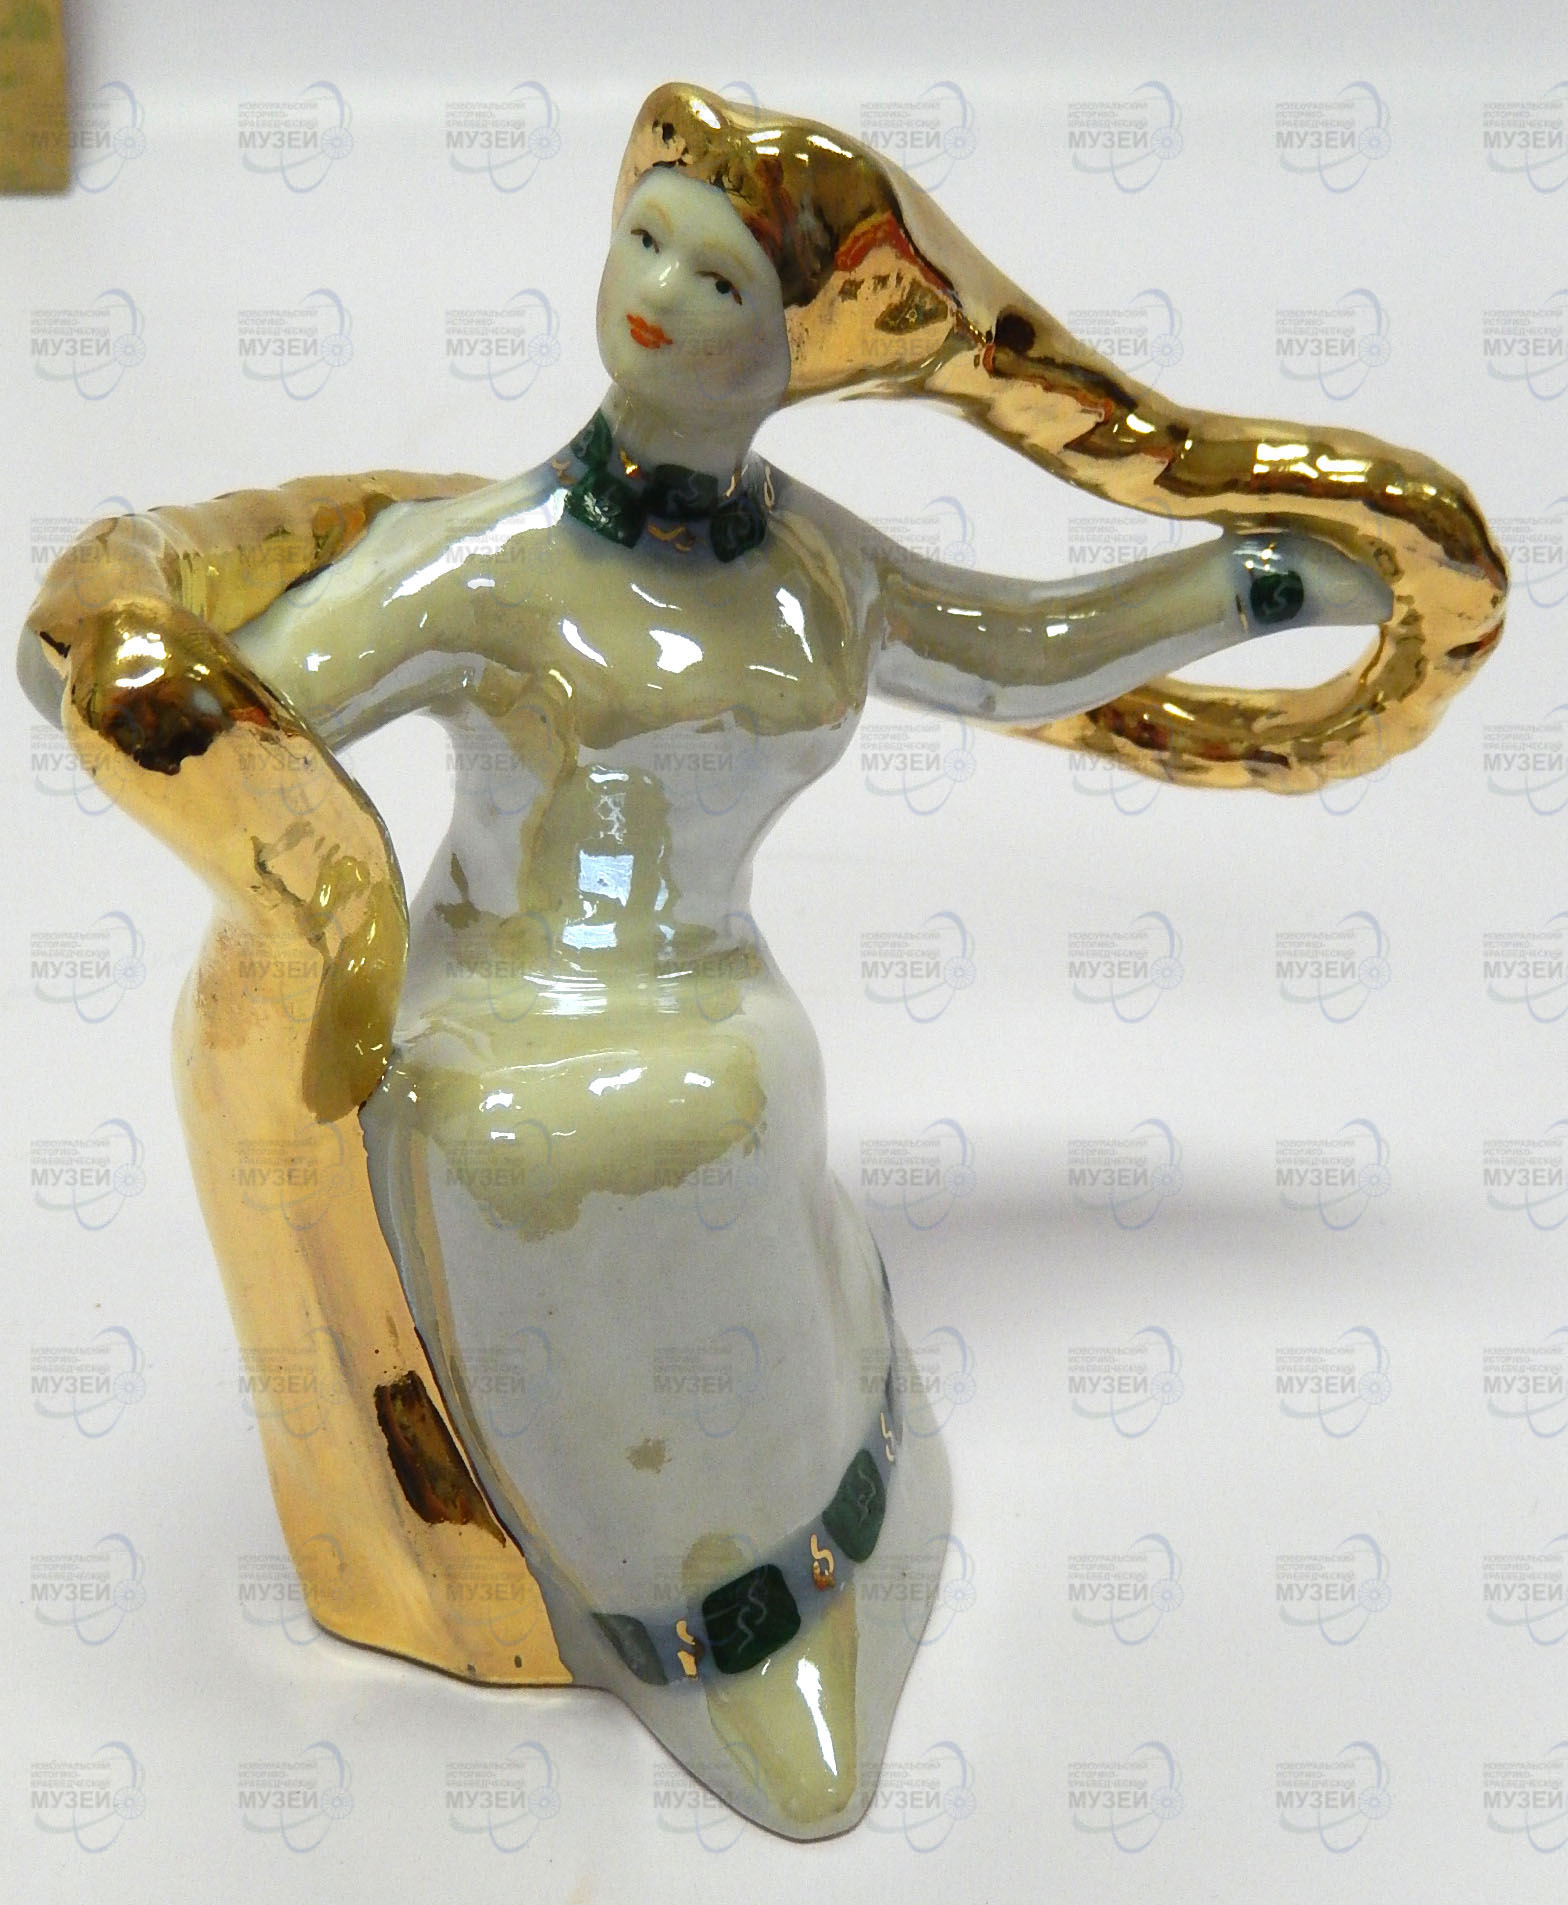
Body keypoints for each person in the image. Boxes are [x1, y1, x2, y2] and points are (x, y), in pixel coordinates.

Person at [19, 80, 1504, 1841]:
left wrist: (1238, 592)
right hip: (500, 991)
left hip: (708, 977)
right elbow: (265, 693)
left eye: (719, 279)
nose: (659, 290)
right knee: (546, 1144)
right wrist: (131, 684)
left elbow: (1018, 647)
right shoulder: (486, 564)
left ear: (795, 349)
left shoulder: (813, 571)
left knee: (745, 1090)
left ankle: (801, 1547)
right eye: (644, 240)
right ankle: (686, 1612)